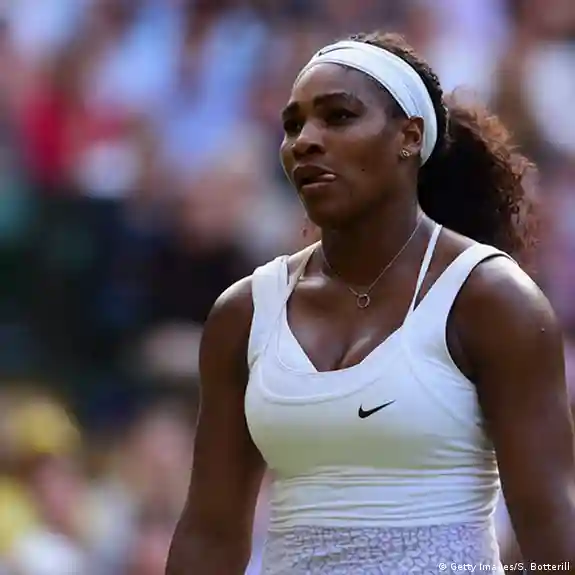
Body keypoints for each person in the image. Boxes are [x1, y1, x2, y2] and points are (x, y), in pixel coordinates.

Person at [165, 31, 575, 574]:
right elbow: (209, 534)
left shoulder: (492, 300)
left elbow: (554, 537)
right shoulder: (243, 313)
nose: (305, 141)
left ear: (409, 136)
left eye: (338, 117)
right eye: (293, 125)